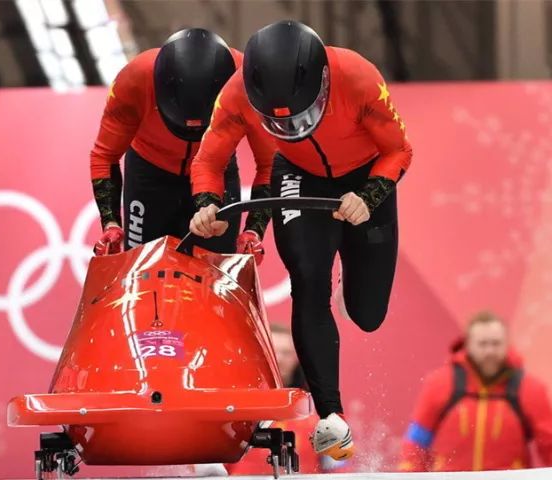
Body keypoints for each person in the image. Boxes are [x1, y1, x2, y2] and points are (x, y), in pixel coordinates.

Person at [189, 20, 412, 460]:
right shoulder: (233, 96)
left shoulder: (359, 77)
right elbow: (209, 159)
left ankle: (355, 269)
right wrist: (207, 203)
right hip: (296, 174)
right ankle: (331, 416)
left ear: (324, 84)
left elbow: (399, 150)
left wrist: (370, 197)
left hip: (366, 175)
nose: (291, 125)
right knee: (308, 280)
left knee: (368, 314)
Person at [89, 28, 265, 258]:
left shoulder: (246, 83)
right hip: (149, 177)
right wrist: (110, 223)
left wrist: (254, 230)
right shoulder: (134, 79)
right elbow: (105, 155)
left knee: (216, 276)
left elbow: (270, 163)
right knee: (142, 267)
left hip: (216, 173)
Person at [399, 311, 552, 472]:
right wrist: (409, 473)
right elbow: (416, 442)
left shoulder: (530, 389)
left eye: (496, 343)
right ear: (468, 345)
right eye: (483, 344)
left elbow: (549, 444)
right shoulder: (439, 384)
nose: (490, 351)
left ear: (507, 344)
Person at [227, 323, 345, 475]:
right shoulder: (232, 408)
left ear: (298, 359)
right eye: (273, 352)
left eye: (286, 352)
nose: (279, 359)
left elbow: (337, 470)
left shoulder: (320, 411)